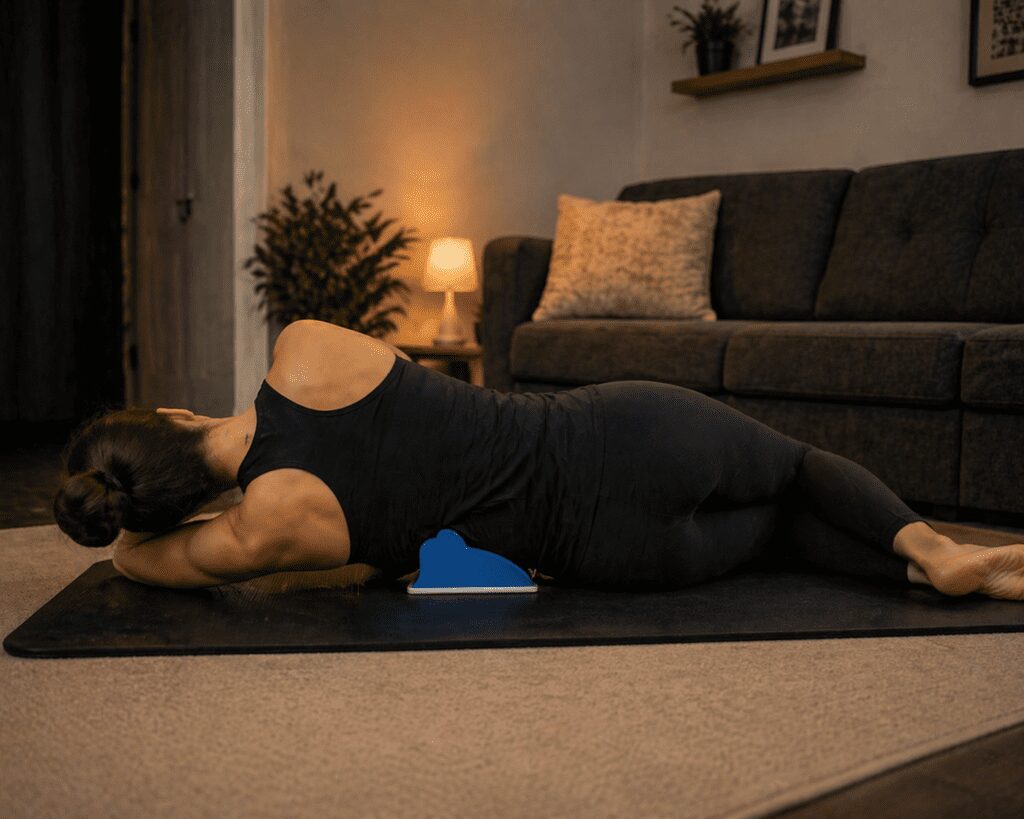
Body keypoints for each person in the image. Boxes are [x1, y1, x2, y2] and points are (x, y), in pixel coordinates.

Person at [53, 319, 1024, 600]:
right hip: (626, 430)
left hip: (605, 553)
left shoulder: (265, 530)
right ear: (173, 412)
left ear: (174, 503)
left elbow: (140, 561)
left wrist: (142, 522)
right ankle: (932, 548)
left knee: (778, 538)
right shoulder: (305, 348)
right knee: (800, 467)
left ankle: (937, 575)